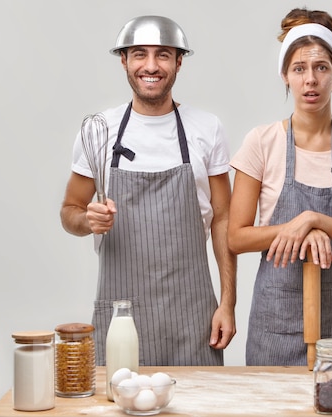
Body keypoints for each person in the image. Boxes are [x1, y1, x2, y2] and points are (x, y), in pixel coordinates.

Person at [60, 15, 236, 366]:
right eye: (140, 54)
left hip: (193, 317)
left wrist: (227, 303)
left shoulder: (206, 128)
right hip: (121, 316)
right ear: (124, 60)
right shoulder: (101, 131)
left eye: (163, 55)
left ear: (179, 62)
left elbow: (223, 219)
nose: (151, 66)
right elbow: (69, 211)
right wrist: (88, 220)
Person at [228, 7, 332, 366]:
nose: (310, 80)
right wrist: (298, 228)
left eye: (321, 68)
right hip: (275, 322)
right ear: (285, 76)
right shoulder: (261, 142)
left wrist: (314, 220)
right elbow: (236, 237)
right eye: (299, 69)